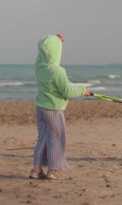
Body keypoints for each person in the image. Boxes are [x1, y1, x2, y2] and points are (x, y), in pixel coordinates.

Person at [29, 33, 90, 179]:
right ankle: (52, 170)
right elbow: (68, 91)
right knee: (55, 139)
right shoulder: (57, 71)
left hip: (40, 109)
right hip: (54, 110)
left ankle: (36, 170)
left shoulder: (39, 67)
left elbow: (41, 55)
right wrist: (83, 90)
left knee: (42, 138)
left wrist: (57, 41)